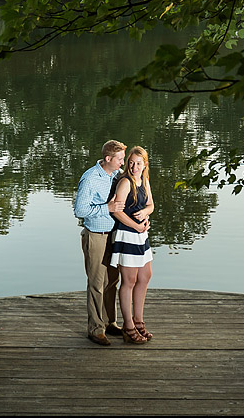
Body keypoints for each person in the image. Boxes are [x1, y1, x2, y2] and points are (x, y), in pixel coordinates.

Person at [73, 139, 127, 345]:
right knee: (96, 283)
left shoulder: (115, 175)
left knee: (112, 281)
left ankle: (110, 322)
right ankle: (95, 329)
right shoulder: (90, 178)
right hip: (95, 236)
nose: (122, 162)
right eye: (120, 158)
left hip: (114, 235)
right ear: (108, 158)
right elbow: (80, 211)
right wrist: (108, 208)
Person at [108, 145, 155, 344]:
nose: (134, 167)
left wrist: (145, 214)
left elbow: (151, 204)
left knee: (145, 276)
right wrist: (136, 226)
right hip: (127, 234)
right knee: (129, 281)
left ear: (145, 164)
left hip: (141, 235)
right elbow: (116, 211)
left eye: (138, 163)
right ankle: (128, 327)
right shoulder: (125, 182)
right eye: (131, 163)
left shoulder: (143, 180)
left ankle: (139, 320)